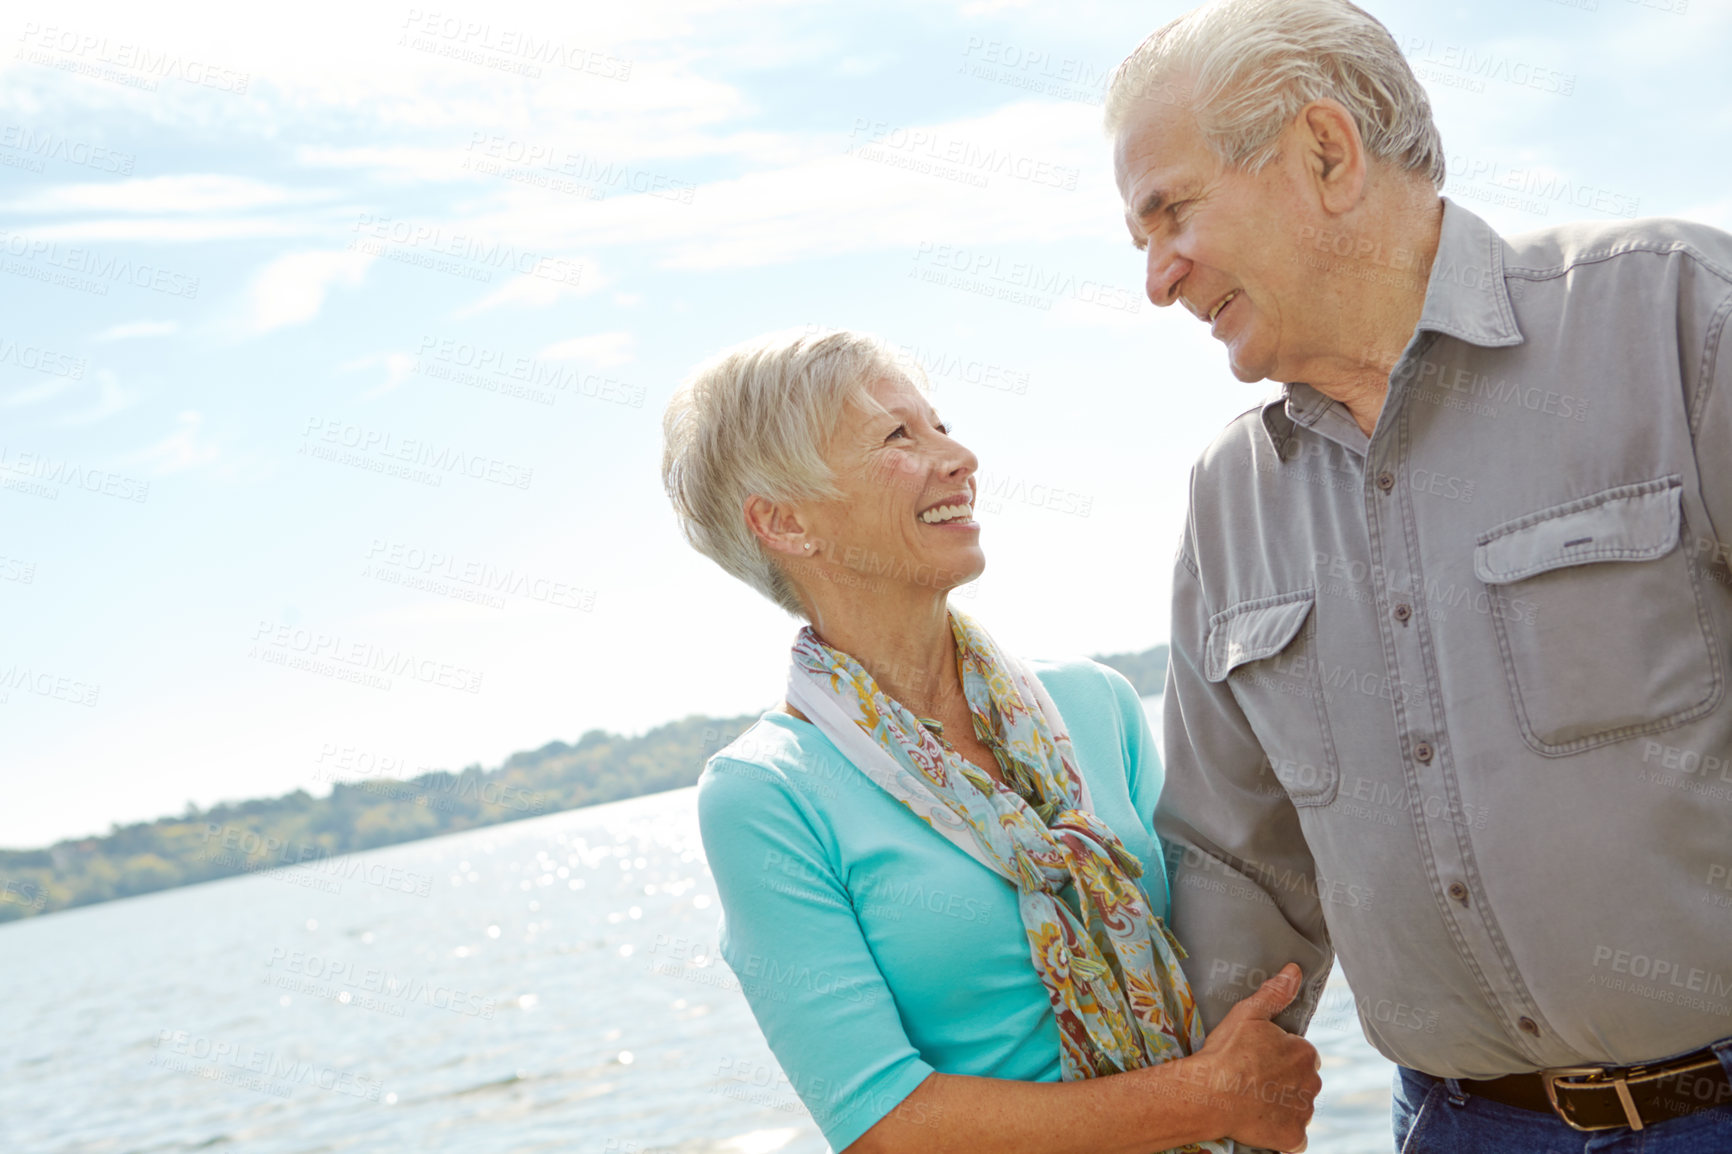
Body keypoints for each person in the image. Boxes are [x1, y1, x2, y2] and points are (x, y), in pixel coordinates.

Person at [1104, 0, 1732, 1150]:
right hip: (1458, 1125)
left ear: (1326, 155)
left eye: (1171, 212)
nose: (1155, 276)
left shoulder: (1680, 316)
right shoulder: (1227, 501)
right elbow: (1235, 858)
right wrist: (1206, 1114)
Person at [660, 328, 1320, 1153]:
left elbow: (1216, 944)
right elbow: (881, 1123)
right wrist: (1199, 1100)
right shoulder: (765, 794)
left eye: (940, 424)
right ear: (785, 522)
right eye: (899, 436)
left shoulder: (1095, 702)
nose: (960, 456)